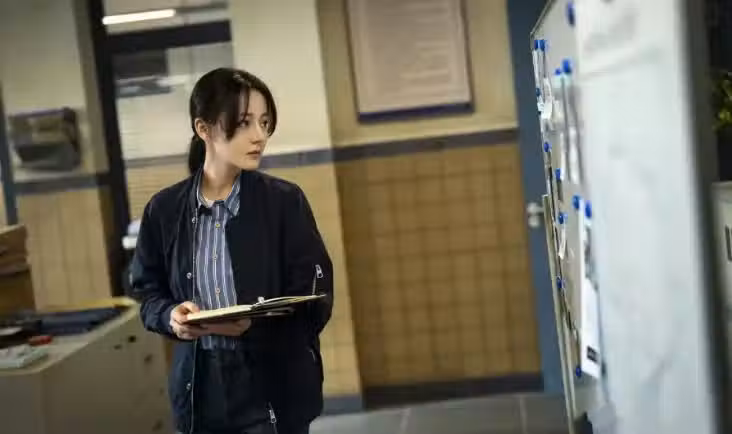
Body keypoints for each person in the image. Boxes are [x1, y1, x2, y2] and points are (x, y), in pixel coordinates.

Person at [129, 67, 333, 434]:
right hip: (200, 384)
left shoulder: (284, 202)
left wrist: (256, 325)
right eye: (244, 123)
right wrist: (171, 316)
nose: (259, 136)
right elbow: (147, 292)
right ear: (203, 129)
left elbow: (316, 297)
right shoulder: (164, 210)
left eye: (264, 123)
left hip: (270, 382)